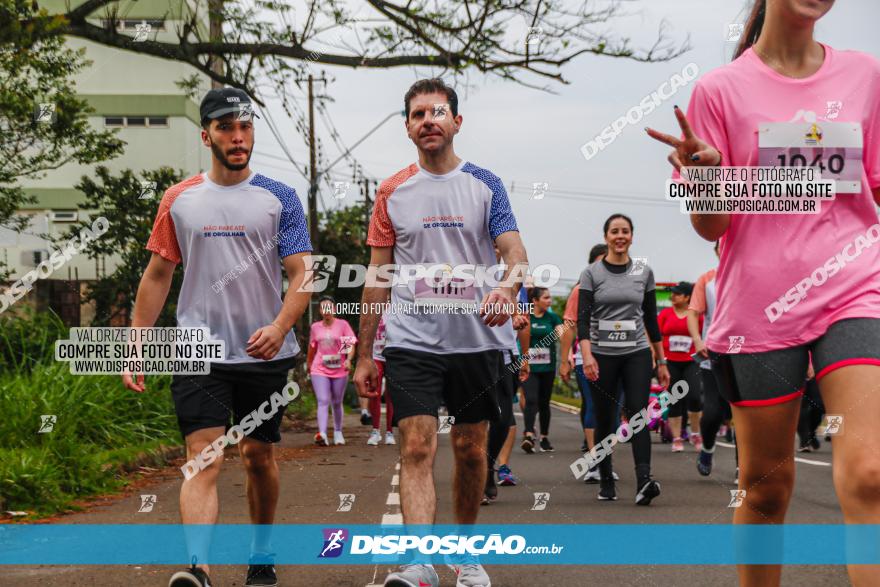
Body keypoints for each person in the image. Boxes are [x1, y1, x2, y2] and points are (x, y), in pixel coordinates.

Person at [648, 1, 880, 583]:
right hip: (760, 307)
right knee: (766, 488)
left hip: (855, 289)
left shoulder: (864, 76)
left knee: (871, 473)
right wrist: (704, 175)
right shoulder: (719, 91)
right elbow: (712, 226)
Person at [124, 87, 312, 587]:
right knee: (202, 457)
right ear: (205, 134)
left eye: (245, 126)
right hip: (197, 350)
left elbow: (303, 275)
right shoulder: (179, 199)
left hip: (264, 352)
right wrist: (137, 343)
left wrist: (279, 326)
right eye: (226, 127)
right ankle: (198, 571)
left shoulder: (280, 198)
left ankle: (262, 551)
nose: (237, 136)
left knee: (258, 455)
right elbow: (158, 274)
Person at [353, 78, 528, 587]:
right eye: (417, 115)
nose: (428, 120)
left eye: (437, 111)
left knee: (472, 449)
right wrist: (366, 354)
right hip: (412, 341)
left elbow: (514, 252)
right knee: (416, 446)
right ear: (408, 128)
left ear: (456, 121)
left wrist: (507, 290)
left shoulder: (485, 185)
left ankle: (466, 556)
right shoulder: (392, 192)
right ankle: (418, 563)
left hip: (477, 341)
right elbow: (377, 275)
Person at [578, 213, 670, 505]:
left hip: (636, 353)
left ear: (632, 236)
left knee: (638, 412)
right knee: (605, 417)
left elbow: (651, 320)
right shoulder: (591, 273)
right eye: (615, 231)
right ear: (606, 237)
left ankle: (644, 480)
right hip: (602, 355)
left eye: (626, 231)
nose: (620, 236)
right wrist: (587, 355)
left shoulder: (643, 270)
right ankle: (606, 478)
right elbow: (583, 320)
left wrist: (662, 359)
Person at [688, 242, 733, 476]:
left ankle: (742, 468)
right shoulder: (707, 280)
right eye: (722, 245)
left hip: (745, 354)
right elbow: (693, 313)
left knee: (740, 414)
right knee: (713, 413)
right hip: (712, 355)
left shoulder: (751, 274)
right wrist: (698, 340)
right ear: (717, 250)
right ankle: (707, 447)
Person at [658, 281, 703, 453]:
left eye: (677, 294)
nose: (673, 296)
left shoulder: (696, 315)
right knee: (674, 399)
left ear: (687, 297)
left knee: (694, 396)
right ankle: (676, 438)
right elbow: (656, 336)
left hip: (692, 361)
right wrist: (658, 358)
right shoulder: (665, 314)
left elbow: (703, 334)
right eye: (673, 293)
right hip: (670, 361)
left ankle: (696, 433)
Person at [307, 296, 357, 446]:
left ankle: (337, 432)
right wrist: (309, 364)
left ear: (334, 309)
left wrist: (348, 359)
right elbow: (312, 347)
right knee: (323, 400)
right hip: (320, 368)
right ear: (320, 310)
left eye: (329, 307)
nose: (327, 311)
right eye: (324, 308)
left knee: (336, 402)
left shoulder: (342, 325)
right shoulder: (315, 327)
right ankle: (322, 434)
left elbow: (349, 345)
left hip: (339, 368)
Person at [520, 287, 564, 453]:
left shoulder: (552, 318)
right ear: (535, 301)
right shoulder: (526, 316)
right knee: (531, 400)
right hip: (529, 367)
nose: (550, 301)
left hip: (548, 367)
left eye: (550, 297)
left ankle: (544, 436)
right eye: (546, 298)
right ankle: (529, 434)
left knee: (544, 403)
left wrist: (566, 347)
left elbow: (562, 333)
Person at [367, 315, 396, 445]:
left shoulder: (396, 312)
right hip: (375, 356)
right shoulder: (371, 312)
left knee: (391, 395)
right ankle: (375, 431)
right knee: (375, 393)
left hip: (391, 357)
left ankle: (390, 432)